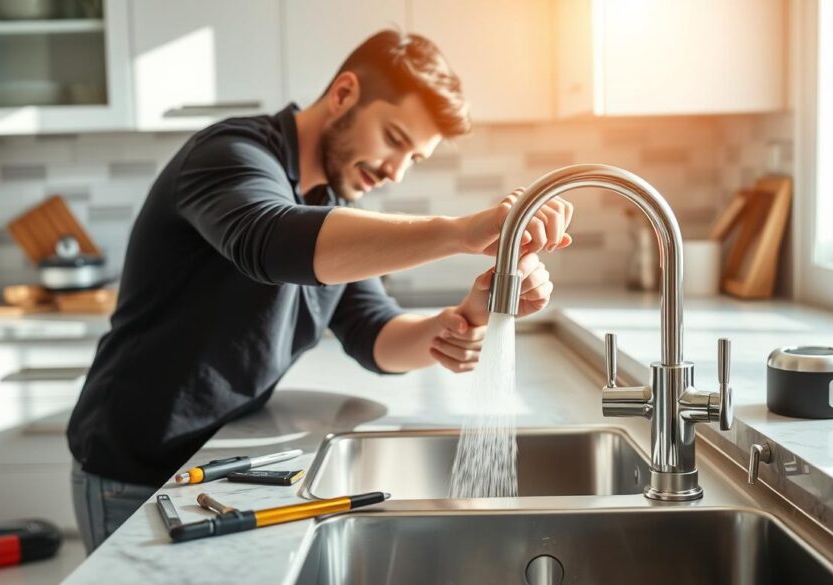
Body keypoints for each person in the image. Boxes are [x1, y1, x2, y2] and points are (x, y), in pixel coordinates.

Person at [67, 29, 574, 552]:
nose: (394, 172)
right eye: (395, 139)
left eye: (414, 158)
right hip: (133, 469)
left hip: (217, 463)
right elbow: (271, 242)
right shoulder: (228, 154)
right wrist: (461, 233)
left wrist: (471, 311)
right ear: (343, 94)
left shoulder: (335, 205)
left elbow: (374, 332)